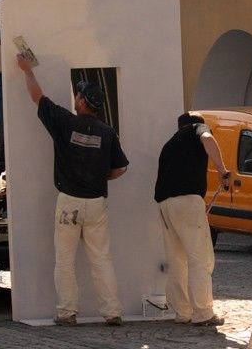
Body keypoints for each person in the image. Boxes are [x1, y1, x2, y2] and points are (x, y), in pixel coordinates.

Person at [17, 54, 128, 327]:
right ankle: (112, 312)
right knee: (101, 259)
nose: (75, 97)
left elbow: (38, 97)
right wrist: (100, 177)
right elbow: (121, 168)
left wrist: (27, 70)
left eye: (78, 95)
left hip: (69, 202)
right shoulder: (107, 133)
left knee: (65, 260)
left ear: (81, 102)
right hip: (96, 202)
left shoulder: (65, 123)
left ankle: (67, 313)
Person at [154, 112, 231, 326]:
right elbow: (207, 138)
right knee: (200, 258)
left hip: (164, 205)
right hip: (188, 200)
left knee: (176, 260)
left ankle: (182, 312)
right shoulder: (197, 130)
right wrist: (222, 170)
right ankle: (203, 313)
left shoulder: (169, 145)